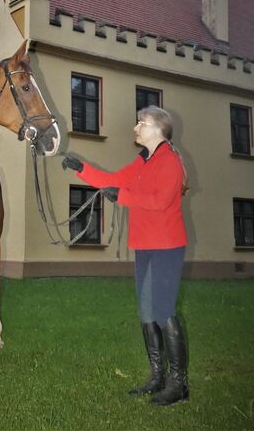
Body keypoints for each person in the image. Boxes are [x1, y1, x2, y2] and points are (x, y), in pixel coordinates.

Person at [62, 105, 189, 406]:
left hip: (167, 246)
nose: (135, 128)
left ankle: (179, 384)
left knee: (164, 311)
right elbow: (115, 180)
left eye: (140, 123)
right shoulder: (143, 161)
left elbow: (160, 201)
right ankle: (157, 377)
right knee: (147, 313)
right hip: (144, 245)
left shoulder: (169, 161)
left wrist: (124, 197)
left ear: (158, 128)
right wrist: (81, 168)